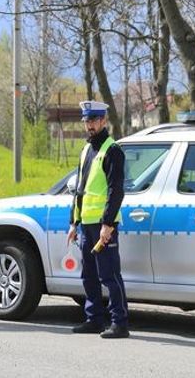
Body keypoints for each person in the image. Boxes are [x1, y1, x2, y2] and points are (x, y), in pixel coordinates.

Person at [67, 100, 129, 339]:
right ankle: (94, 319)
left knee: (110, 275)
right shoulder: (86, 150)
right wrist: (74, 222)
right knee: (89, 275)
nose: (89, 125)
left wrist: (108, 224)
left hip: (104, 225)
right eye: (86, 120)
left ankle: (120, 322)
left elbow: (116, 191)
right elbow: (80, 190)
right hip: (86, 224)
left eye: (93, 120)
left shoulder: (113, 151)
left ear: (103, 121)